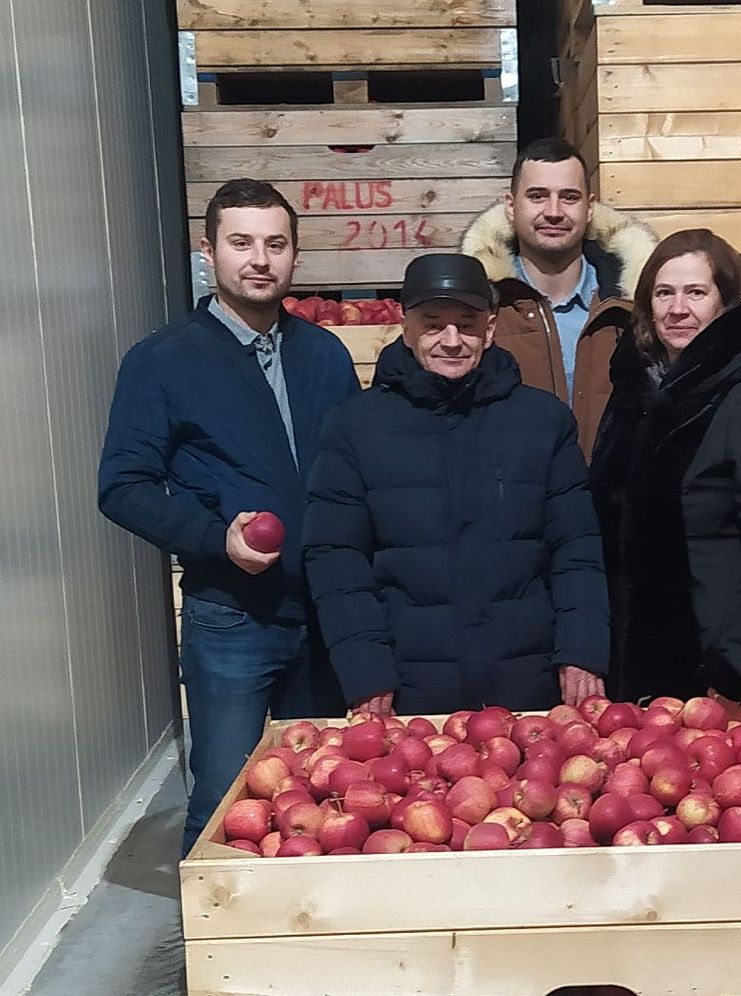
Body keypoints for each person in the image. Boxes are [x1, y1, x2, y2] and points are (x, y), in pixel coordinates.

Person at [98, 178, 359, 855]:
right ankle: (213, 956)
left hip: (325, 618)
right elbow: (122, 486)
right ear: (208, 251)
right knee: (223, 802)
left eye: (275, 244)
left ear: (295, 255)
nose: (259, 259)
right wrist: (216, 539)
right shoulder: (161, 360)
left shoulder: (326, 356)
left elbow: (353, 474)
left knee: (328, 799)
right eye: (241, 242)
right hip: (232, 619)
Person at [303, 253, 610, 717]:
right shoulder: (356, 426)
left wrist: (581, 651)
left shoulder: (543, 422)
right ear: (405, 327)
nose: (451, 340)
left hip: (528, 687)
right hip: (409, 692)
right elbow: (336, 559)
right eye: (433, 323)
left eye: (466, 324)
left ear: (489, 330)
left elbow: (576, 549)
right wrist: (365, 670)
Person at [590, 229, 741, 706]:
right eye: (664, 293)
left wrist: (736, 667)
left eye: (696, 292)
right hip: (634, 663)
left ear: (725, 303)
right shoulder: (633, 395)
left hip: (719, 669)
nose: (677, 308)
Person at [460, 137, 657, 457]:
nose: (553, 212)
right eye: (537, 196)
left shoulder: (631, 307)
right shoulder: (478, 308)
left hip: (610, 504)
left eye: (569, 197)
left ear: (589, 208)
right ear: (511, 206)